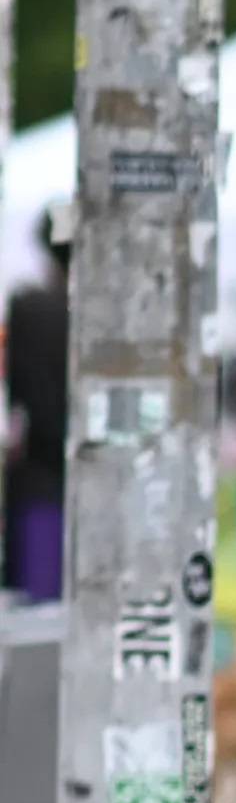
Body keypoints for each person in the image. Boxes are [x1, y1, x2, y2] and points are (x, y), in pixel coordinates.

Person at [2, 212, 71, 602]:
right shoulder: (46, 309)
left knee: (38, 610)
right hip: (55, 485)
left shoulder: (29, 307)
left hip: (40, 482)